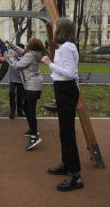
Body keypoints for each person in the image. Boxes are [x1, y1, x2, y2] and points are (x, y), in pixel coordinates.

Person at [42, 18, 84, 192]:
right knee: (64, 131)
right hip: (65, 90)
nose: (54, 28)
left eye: (56, 26)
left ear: (62, 30)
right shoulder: (67, 47)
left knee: (67, 133)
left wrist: (49, 64)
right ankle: (67, 165)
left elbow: (68, 73)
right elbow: (74, 73)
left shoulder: (66, 48)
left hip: (65, 90)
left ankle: (76, 176)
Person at [6, 38, 45, 150]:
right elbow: (21, 51)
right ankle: (32, 129)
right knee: (25, 107)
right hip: (32, 84)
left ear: (32, 45)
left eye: (28, 43)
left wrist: (8, 57)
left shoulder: (30, 56)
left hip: (32, 85)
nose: (26, 44)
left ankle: (34, 136)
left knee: (30, 109)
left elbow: (17, 66)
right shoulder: (34, 53)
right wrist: (12, 45)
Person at [8, 43, 25, 119]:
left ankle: (20, 111)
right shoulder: (11, 56)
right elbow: (6, 59)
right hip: (13, 79)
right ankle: (12, 111)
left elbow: (19, 66)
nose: (17, 52)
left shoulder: (25, 58)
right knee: (11, 93)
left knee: (20, 96)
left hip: (21, 80)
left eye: (19, 51)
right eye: (16, 50)